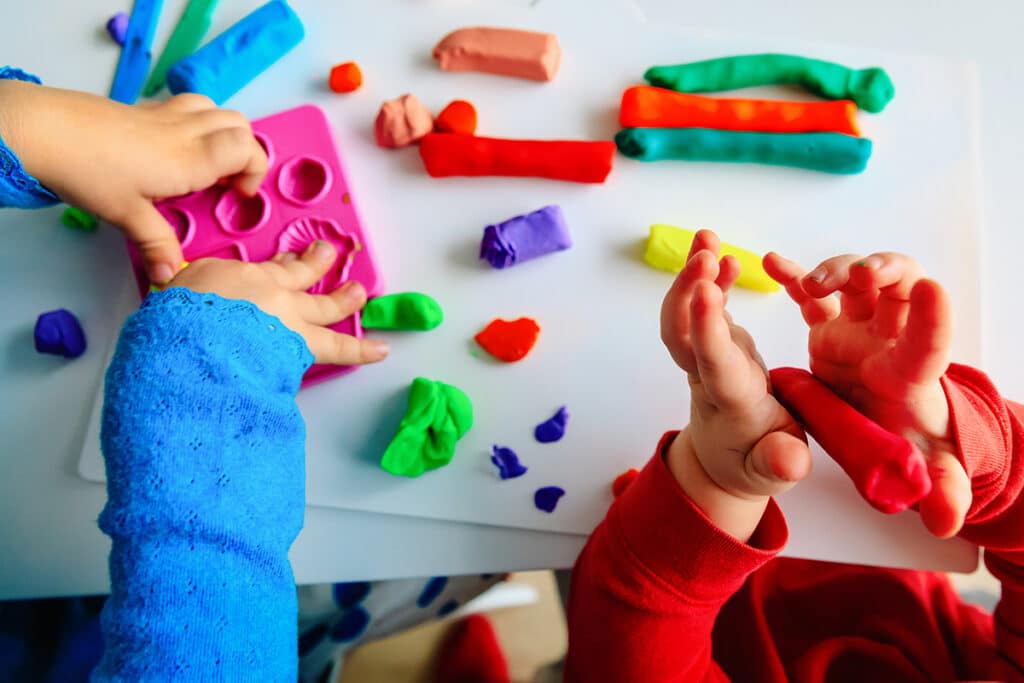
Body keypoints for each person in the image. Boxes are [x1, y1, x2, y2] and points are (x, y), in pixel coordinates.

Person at [563, 230, 1024, 682]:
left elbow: (627, 647)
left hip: (673, 541)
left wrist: (716, 480)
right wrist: (966, 446)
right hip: (885, 545)